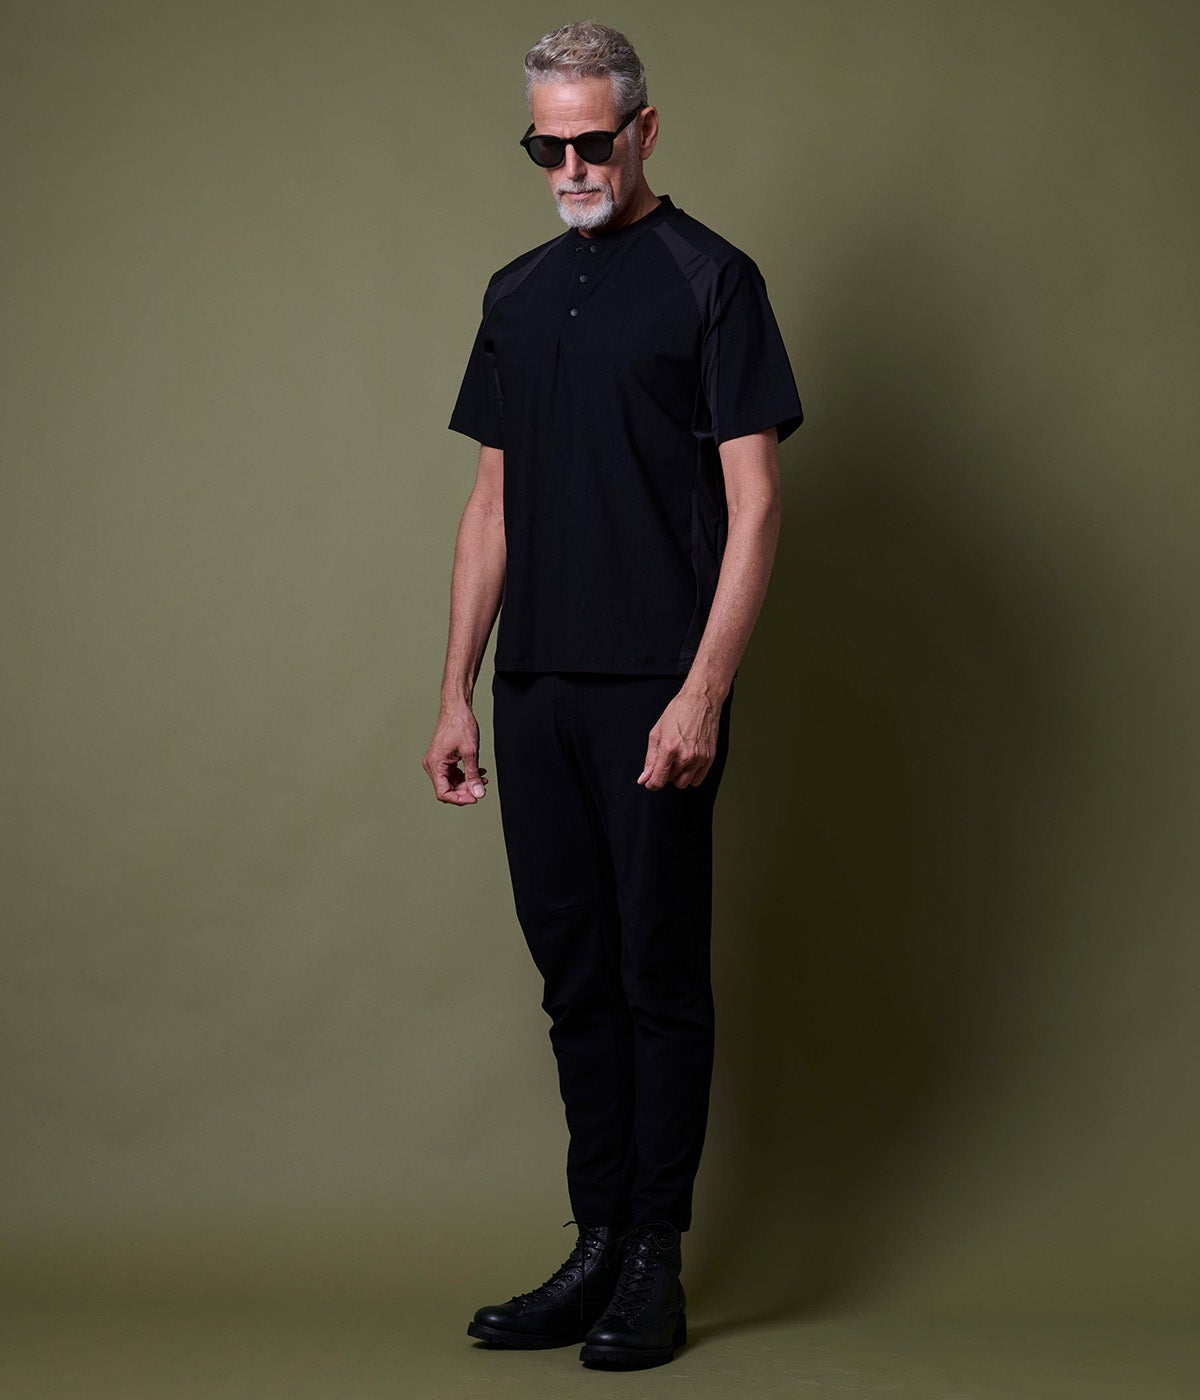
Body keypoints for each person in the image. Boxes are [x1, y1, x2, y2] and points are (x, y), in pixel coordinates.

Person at [422, 20, 803, 1370]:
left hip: (656, 682)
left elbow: (756, 507)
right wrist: (457, 691)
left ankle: (653, 1256)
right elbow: (491, 505)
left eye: (594, 141)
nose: (573, 166)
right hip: (536, 683)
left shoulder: (713, 279)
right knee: (574, 975)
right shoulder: (517, 292)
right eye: (549, 146)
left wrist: (704, 692)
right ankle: (593, 1243)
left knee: (657, 974)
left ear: (644, 130)